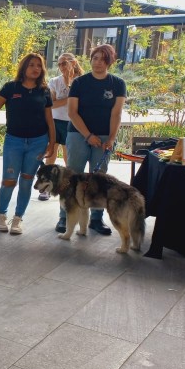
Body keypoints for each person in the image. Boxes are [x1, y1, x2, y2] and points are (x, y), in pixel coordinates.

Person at [0, 53, 55, 234]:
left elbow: (49, 119)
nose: (36, 69)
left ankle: (18, 219)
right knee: (9, 181)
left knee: (27, 182)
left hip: (38, 142)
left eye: (39, 65)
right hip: (14, 141)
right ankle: (1, 215)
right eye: (31, 65)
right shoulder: (10, 88)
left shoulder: (44, 91)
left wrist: (52, 143)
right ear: (24, 67)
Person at [55, 44, 126, 235]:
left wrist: (111, 139)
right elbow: (72, 112)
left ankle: (96, 219)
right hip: (78, 134)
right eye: (95, 58)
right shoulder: (79, 83)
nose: (98, 63)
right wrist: (88, 135)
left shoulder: (118, 84)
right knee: (73, 176)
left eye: (103, 59)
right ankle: (65, 217)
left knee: (99, 178)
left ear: (109, 62)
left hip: (104, 137)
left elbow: (116, 114)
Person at [40, 53, 84, 201]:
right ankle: (45, 187)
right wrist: (71, 99)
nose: (61, 67)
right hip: (54, 121)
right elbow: (51, 104)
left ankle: (68, 187)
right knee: (51, 153)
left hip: (72, 122)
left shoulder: (81, 81)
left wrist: (65, 99)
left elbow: (81, 104)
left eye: (64, 63)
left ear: (73, 63)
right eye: (59, 64)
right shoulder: (54, 81)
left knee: (69, 157)